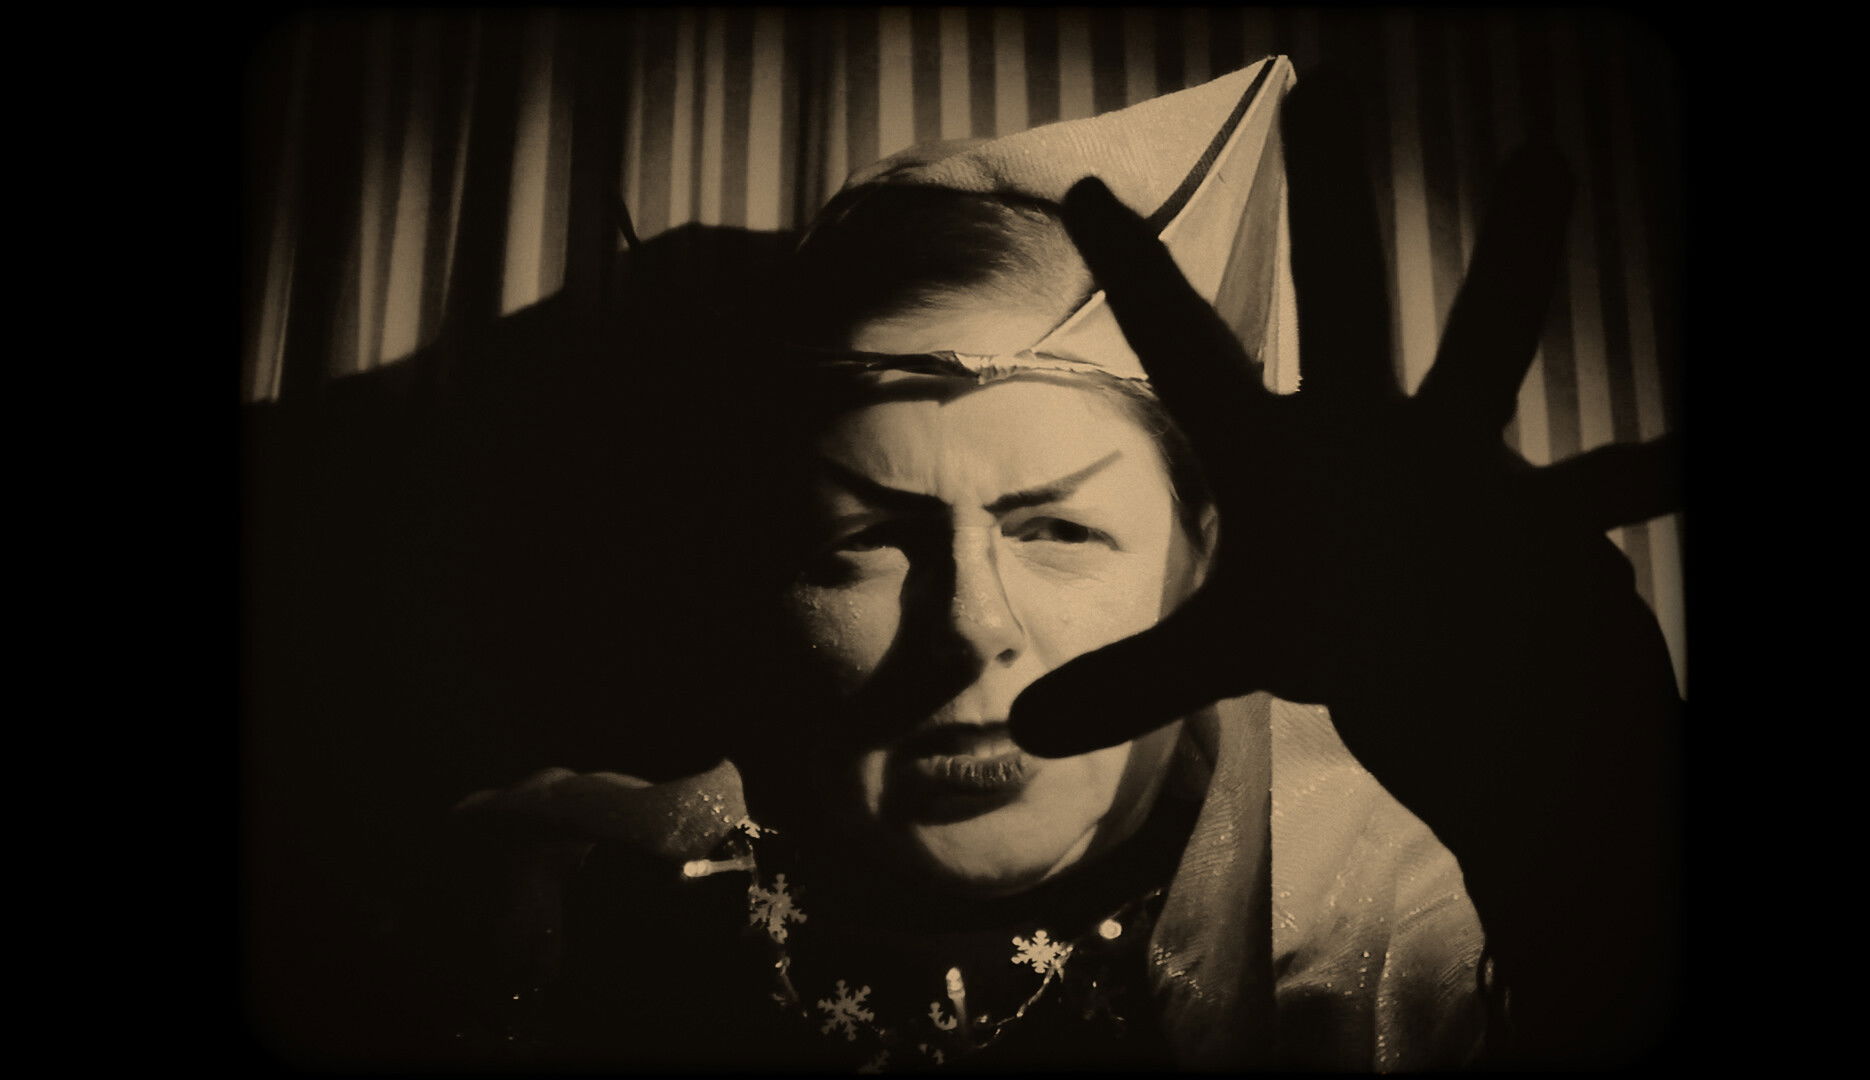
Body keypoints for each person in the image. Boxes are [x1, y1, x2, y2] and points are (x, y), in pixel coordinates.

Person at [444, 57, 1681, 1071]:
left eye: (1058, 529)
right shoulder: (572, 921)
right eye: (867, 537)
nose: (970, 627)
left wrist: (1588, 837)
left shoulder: (1400, 970)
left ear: (1207, 558)